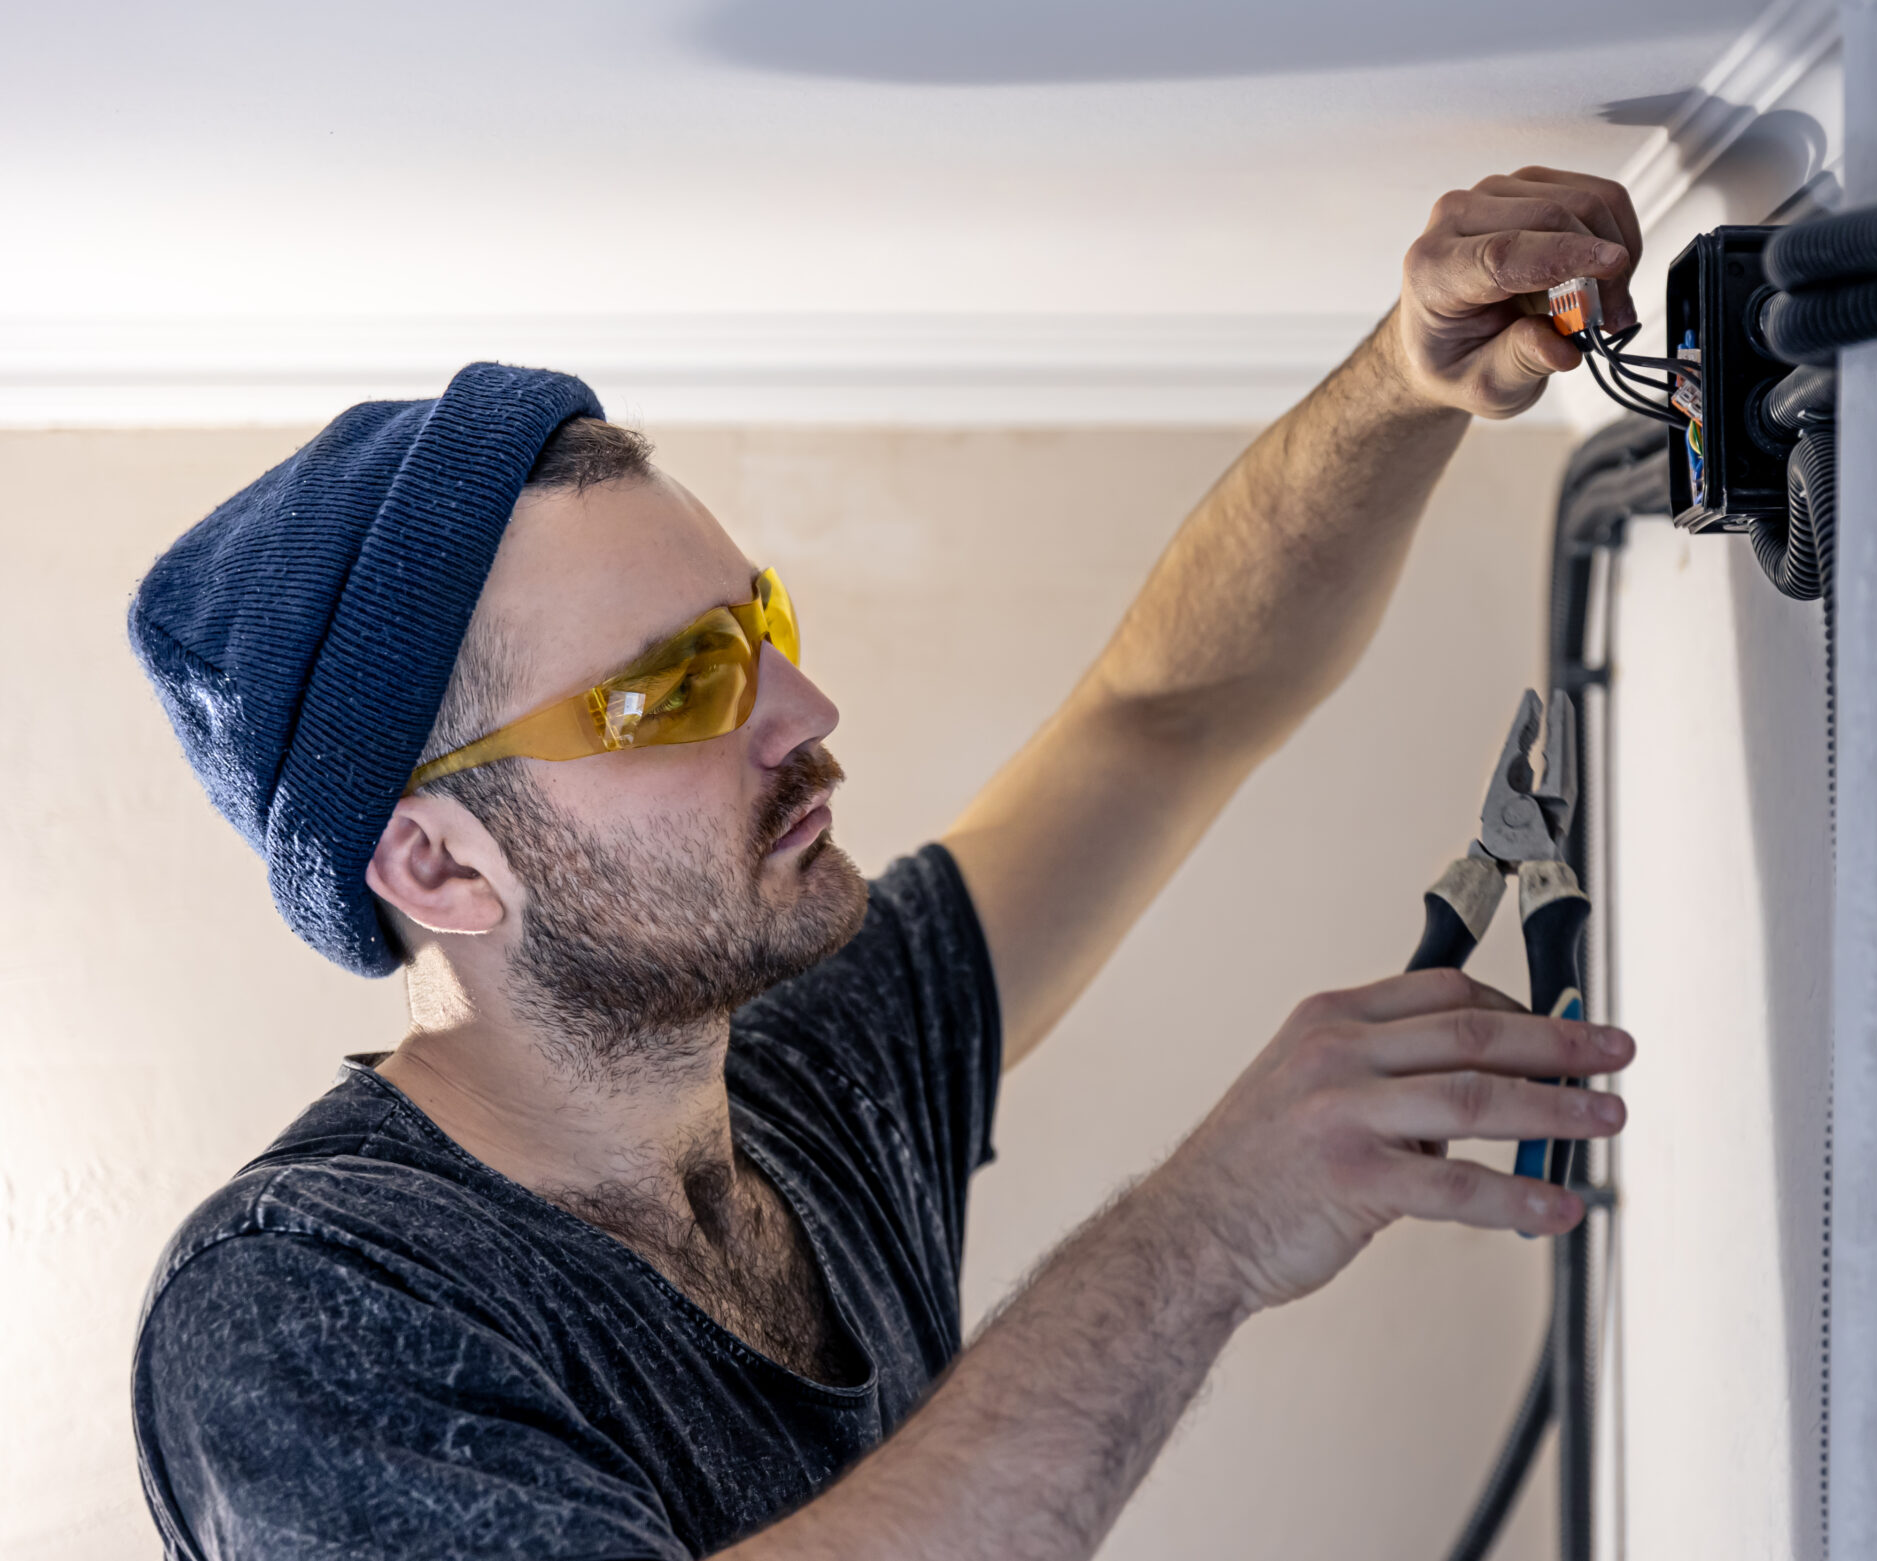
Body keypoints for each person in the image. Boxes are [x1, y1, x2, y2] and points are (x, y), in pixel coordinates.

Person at [127, 167, 1643, 1561]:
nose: (806, 711)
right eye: (673, 690)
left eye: (760, 629)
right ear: (441, 867)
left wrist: (1402, 380)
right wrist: (1206, 1229)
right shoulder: (302, 1302)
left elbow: (1159, 722)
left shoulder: (817, 1075)